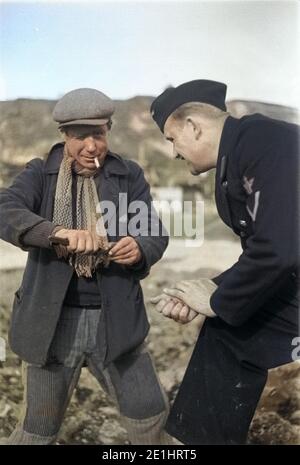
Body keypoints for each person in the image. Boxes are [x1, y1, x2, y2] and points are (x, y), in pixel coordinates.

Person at [0, 87, 172, 445]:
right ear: (63, 136)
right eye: (80, 137)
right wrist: (56, 232)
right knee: (38, 429)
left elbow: (154, 231)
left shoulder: (128, 175)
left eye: (98, 134)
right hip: (52, 323)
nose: (91, 146)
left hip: (117, 321)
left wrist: (139, 247)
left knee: (150, 415)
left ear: (108, 130)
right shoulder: (39, 173)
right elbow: (5, 209)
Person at [150, 79, 299, 445]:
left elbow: (280, 248)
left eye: (172, 139)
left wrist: (216, 300)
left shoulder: (269, 142)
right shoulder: (241, 150)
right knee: (228, 334)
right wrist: (207, 291)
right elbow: (264, 251)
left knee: (230, 325)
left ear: (193, 127)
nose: (174, 153)